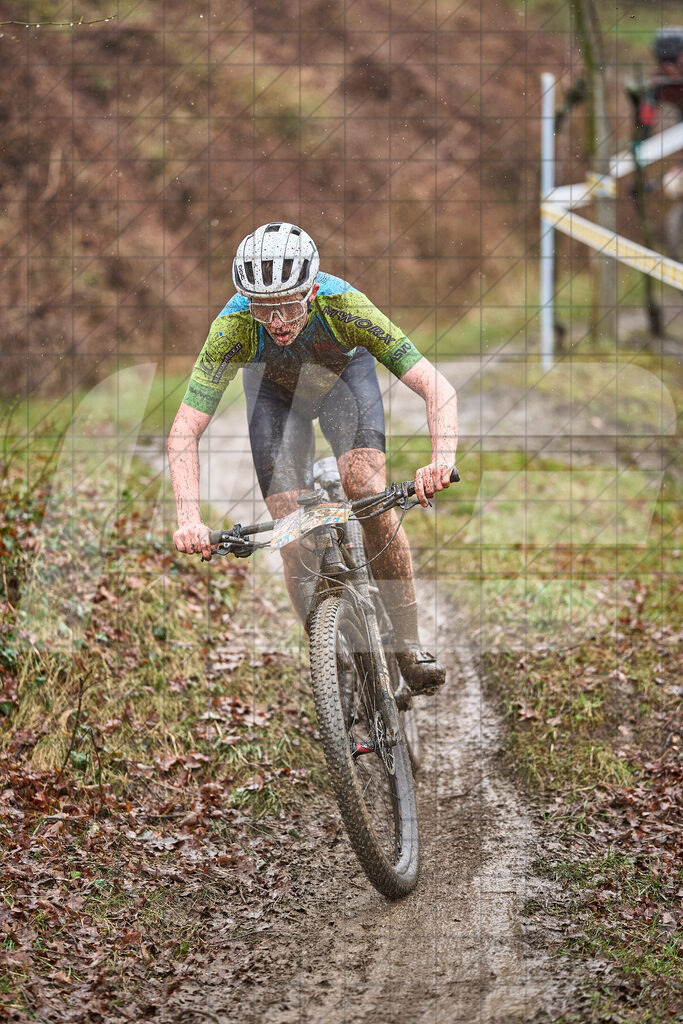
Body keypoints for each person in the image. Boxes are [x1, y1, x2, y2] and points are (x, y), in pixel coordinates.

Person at [168, 222, 458, 695]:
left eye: (288, 305)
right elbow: (184, 429)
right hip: (274, 398)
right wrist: (188, 518)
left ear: (313, 291)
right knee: (291, 532)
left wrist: (440, 460)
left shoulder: (344, 305)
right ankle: (328, 653)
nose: (276, 321)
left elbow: (435, 386)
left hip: (344, 384)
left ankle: (408, 644)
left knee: (365, 488)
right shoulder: (233, 327)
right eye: (262, 308)